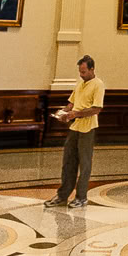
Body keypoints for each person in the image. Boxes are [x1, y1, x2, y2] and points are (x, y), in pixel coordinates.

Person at [46, 56, 105, 210]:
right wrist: (62, 113)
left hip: (88, 128)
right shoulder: (80, 85)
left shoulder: (98, 85)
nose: (81, 74)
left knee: (84, 164)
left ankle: (81, 197)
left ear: (92, 69)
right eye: (80, 71)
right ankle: (62, 195)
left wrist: (75, 114)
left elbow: (96, 109)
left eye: (84, 71)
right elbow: (72, 103)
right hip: (75, 128)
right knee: (68, 162)